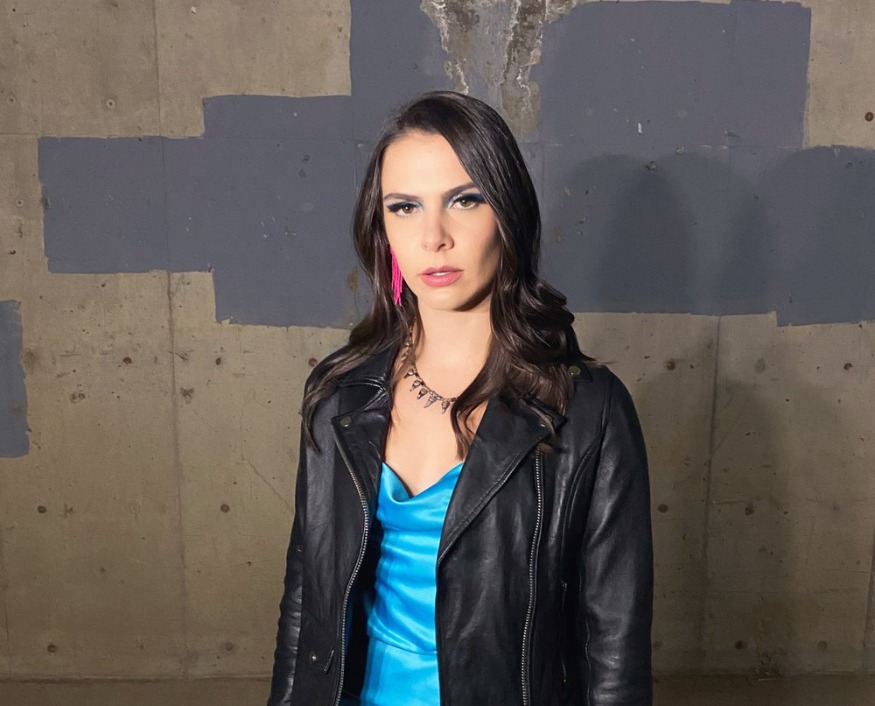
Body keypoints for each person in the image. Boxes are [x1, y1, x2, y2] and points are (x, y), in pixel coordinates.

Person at [267, 90, 653, 706]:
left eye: (465, 200)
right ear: (382, 229)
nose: (433, 237)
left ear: (508, 214)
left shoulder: (588, 411)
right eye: (405, 207)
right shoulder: (340, 396)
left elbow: (615, 652)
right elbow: (306, 604)